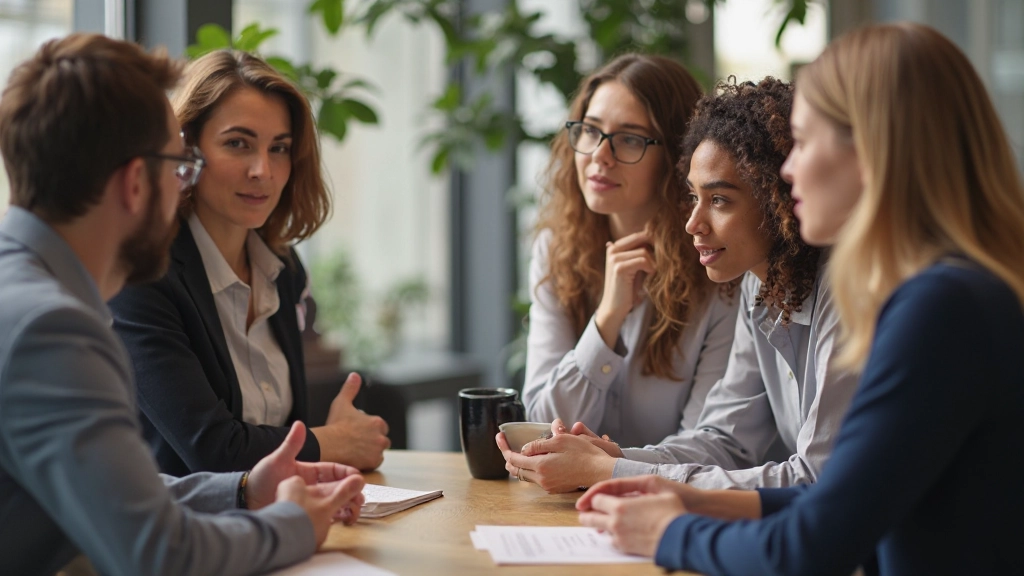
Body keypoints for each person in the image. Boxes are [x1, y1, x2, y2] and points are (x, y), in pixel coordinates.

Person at [577, 23, 1024, 576]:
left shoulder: (940, 307)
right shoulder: (956, 292)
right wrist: (688, 497)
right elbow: (843, 503)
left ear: (873, 152)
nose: (786, 172)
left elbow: (813, 545)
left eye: (805, 142)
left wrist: (670, 532)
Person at [0, 34, 365, 575]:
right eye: (179, 167)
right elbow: (156, 553)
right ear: (136, 183)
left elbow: (114, 491)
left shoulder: (23, 293)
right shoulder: (51, 328)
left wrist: (242, 490)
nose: (182, 187)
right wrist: (291, 525)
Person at [503, 77, 858, 492]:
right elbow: (724, 442)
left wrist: (609, 472)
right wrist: (613, 460)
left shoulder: (843, 287)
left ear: (776, 197)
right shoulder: (756, 286)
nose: (694, 224)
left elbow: (818, 481)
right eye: (694, 197)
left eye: (719, 200)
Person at [109, 49, 389, 476]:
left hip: (276, 512)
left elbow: (277, 439)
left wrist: (321, 445)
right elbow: (212, 451)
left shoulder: (283, 267)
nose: (263, 170)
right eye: (238, 143)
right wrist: (333, 441)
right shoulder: (144, 274)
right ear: (186, 149)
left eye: (279, 148)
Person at [507, 54, 739, 489]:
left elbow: (714, 448)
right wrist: (606, 321)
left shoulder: (718, 264)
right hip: (562, 506)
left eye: (629, 139)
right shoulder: (556, 248)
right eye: (591, 130)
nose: (600, 155)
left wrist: (606, 466)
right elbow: (542, 426)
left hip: (672, 504)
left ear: (676, 157)